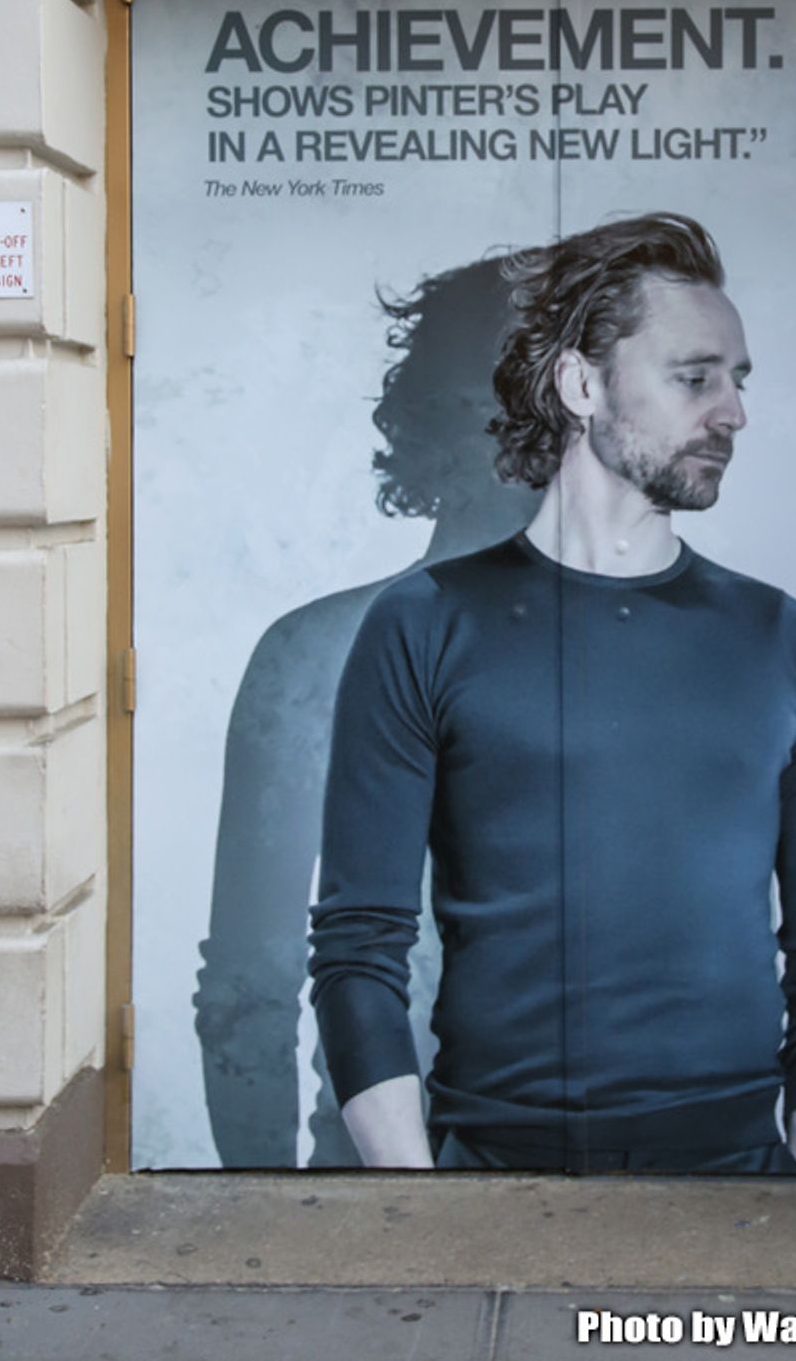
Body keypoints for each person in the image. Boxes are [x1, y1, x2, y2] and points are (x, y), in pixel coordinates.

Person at [310, 211, 796, 1175]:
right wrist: (415, 1206)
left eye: (737, 382)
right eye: (694, 377)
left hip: (743, 1183)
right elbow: (357, 950)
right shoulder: (424, 625)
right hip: (489, 1176)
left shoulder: (787, 642)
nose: (733, 413)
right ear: (582, 384)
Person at [193, 258, 536, 1166]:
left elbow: (246, 987)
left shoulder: (679, 647)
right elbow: (246, 985)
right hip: (378, 1183)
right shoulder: (316, 655)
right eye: (499, 400)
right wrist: (264, 1217)